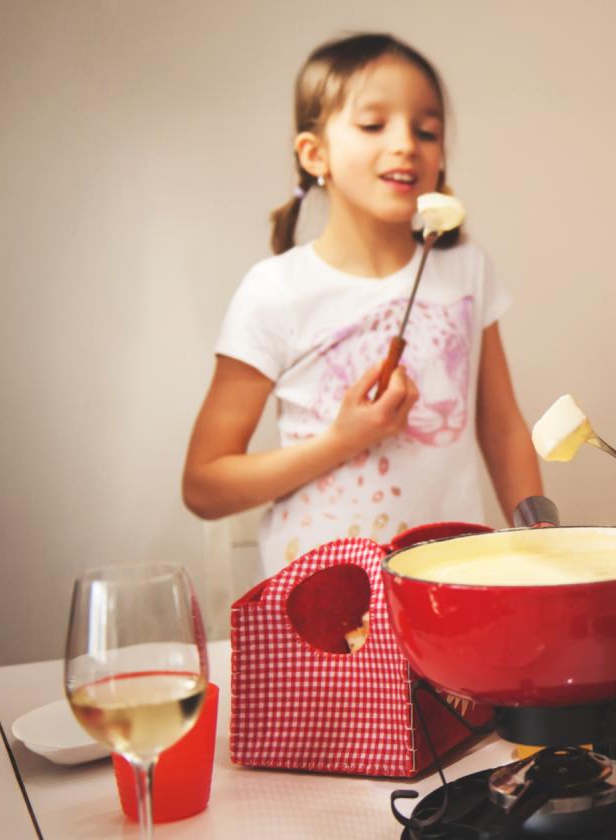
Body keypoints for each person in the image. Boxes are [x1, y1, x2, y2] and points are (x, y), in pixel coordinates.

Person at [183, 33, 540, 575]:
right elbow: (204, 486)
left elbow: (502, 425)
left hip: (449, 586)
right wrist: (343, 440)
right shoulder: (274, 290)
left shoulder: (467, 268)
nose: (406, 144)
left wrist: (540, 536)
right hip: (321, 604)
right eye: (374, 124)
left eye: (427, 130)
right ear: (313, 153)